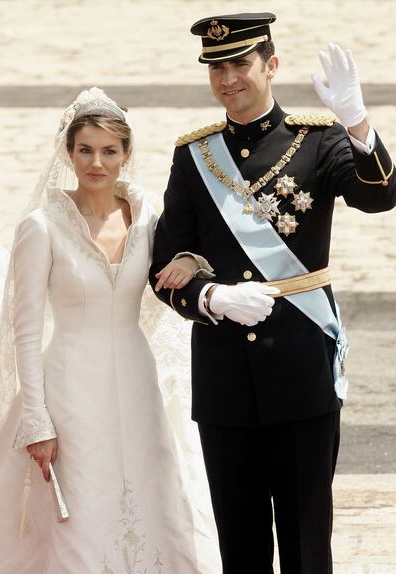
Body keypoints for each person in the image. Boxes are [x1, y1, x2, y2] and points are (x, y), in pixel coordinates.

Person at [149, 12, 396, 574]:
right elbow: (165, 262)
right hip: (224, 370)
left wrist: (357, 124)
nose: (228, 78)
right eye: (217, 67)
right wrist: (211, 298)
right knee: (239, 539)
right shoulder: (195, 156)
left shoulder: (317, 140)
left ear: (271, 65)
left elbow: (380, 197)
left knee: (308, 537)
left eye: (240, 63)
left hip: (301, 360)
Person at [0, 87, 219, 573]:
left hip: (136, 379)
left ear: (126, 155)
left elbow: (190, 253)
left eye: (109, 151)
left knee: (150, 495)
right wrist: (36, 419)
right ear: (68, 153)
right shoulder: (41, 227)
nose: (97, 162)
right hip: (70, 389)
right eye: (85, 150)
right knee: (83, 508)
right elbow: (24, 331)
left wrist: (190, 260)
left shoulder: (149, 216)